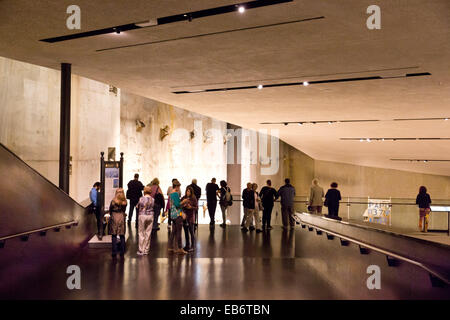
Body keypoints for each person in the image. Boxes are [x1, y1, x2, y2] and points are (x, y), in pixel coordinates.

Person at [168, 181, 187, 255]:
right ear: (176, 186)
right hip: (177, 215)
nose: (179, 188)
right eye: (179, 187)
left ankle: (170, 247)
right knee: (179, 232)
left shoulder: (171, 194)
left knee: (173, 231)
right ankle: (180, 248)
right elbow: (177, 205)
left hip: (173, 214)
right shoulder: (175, 194)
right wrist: (184, 201)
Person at [109, 188, 127, 258]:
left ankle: (114, 252)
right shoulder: (125, 201)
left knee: (114, 235)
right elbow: (124, 210)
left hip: (114, 216)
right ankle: (122, 251)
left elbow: (110, 209)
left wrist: (111, 214)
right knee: (122, 234)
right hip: (121, 216)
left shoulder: (113, 201)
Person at [137, 186, 154, 255]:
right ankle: (146, 250)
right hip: (150, 215)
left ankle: (141, 250)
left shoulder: (141, 199)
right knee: (148, 233)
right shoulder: (153, 199)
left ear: (144, 191)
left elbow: (138, 206)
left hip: (142, 215)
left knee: (141, 232)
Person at [181, 186, 198, 252]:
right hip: (185, 217)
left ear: (191, 192)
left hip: (191, 217)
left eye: (189, 191)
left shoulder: (193, 198)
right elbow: (180, 204)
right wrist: (183, 205)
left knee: (191, 232)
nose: (187, 192)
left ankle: (193, 246)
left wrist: (190, 207)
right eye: (187, 191)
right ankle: (187, 245)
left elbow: (196, 208)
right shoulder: (184, 197)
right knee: (186, 232)